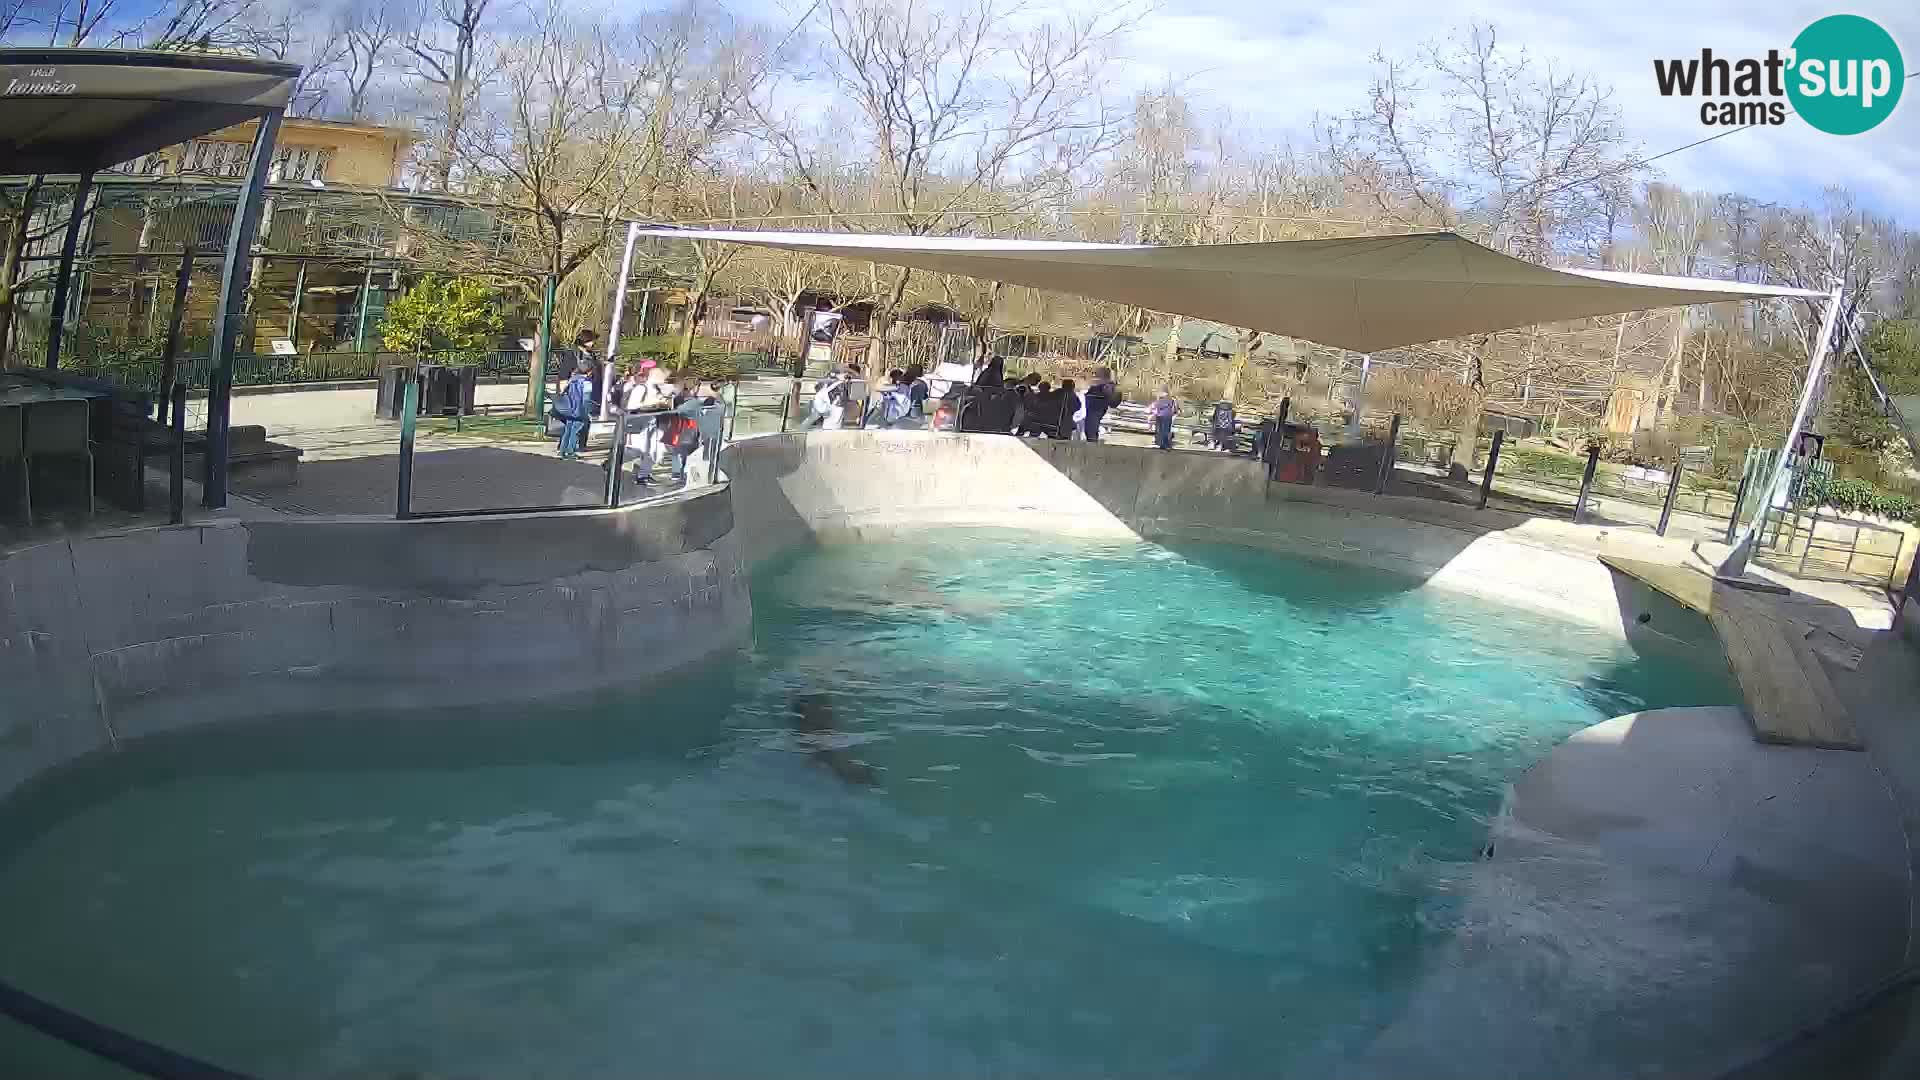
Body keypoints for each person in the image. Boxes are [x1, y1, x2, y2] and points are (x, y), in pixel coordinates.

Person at [622, 362, 672, 484]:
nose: (664, 380)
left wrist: (661, 404)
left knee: (652, 451)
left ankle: (644, 475)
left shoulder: (656, 389)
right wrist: (652, 405)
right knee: (638, 450)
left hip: (652, 423)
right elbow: (632, 406)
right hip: (641, 423)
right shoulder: (641, 388)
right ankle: (613, 462)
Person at [551, 356, 594, 459]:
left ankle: (562, 451)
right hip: (579, 410)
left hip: (569, 409)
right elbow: (586, 399)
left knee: (568, 429)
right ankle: (571, 451)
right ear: (589, 371)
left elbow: (563, 392)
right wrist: (588, 410)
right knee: (575, 431)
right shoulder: (586, 382)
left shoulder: (572, 380)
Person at [1082, 366, 1120, 442]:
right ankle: (1092, 443)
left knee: (1091, 428)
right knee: (1090, 428)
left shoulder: (1106, 386)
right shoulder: (1099, 385)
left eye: (1097, 373)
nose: (1095, 375)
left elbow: (1112, 402)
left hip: (1096, 408)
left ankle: (1092, 445)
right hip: (1093, 407)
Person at [1149, 385, 1176, 450]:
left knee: (1161, 431)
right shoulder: (1171, 399)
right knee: (1166, 431)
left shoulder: (1160, 397)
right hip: (1167, 415)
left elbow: (1157, 406)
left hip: (1160, 415)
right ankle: (1165, 445)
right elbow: (1174, 409)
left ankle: (1162, 444)